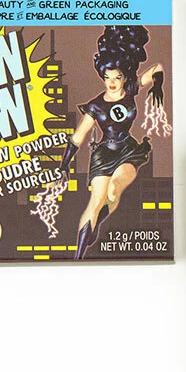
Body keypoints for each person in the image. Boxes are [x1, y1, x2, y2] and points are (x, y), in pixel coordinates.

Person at [56, 25, 165, 260]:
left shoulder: (131, 89)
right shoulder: (96, 105)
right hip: (103, 154)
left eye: (117, 77)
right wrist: (64, 164)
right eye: (107, 77)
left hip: (127, 150)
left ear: (125, 76)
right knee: (95, 202)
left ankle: (97, 222)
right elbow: (78, 136)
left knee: (114, 191)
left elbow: (157, 68)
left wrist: (158, 84)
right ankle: (78, 258)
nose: (112, 82)